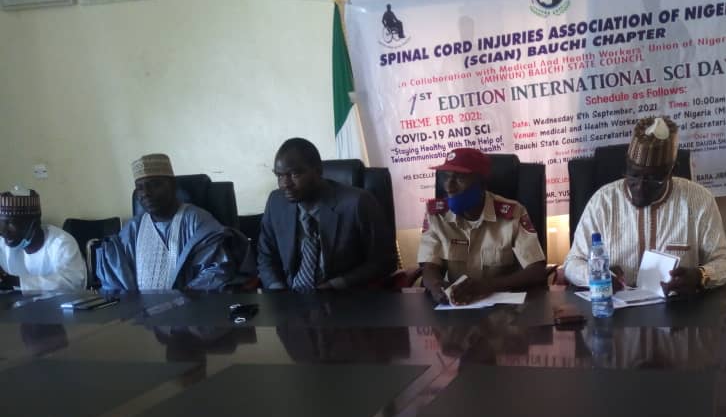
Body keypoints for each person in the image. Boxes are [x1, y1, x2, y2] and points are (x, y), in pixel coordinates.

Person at [563, 116, 726, 294]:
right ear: (627, 165)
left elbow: (725, 262)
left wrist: (700, 276)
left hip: (678, 306)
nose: (640, 187)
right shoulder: (603, 202)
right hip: (616, 306)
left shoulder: (699, 201)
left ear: (671, 171)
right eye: (634, 175)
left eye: (653, 179)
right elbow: (572, 263)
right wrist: (598, 275)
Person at [258, 137, 396, 292]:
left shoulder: (357, 203)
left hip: (344, 297)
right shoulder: (276, 202)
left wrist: (335, 285)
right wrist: (278, 291)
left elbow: (385, 261)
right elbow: (266, 256)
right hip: (289, 297)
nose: (285, 184)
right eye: (279, 176)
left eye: (294, 174)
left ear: (318, 171)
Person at [418, 147, 547, 305]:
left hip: (504, 309)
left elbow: (536, 271)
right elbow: (429, 266)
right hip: (456, 308)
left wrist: (488, 286)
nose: (449, 187)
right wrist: (437, 287)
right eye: (446, 177)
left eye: (460, 178)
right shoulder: (436, 215)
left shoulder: (513, 213)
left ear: (482, 183)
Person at [95, 153, 237, 291]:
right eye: (140, 187)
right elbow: (115, 280)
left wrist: (181, 298)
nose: (145, 193)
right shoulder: (132, 228)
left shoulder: (198, 221)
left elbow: (216, 271)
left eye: (154, 185)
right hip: (139, 306)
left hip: (190, 304)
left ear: (173, 185)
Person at [0, 190, 86, 291]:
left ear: (33, 224)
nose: (3, 231)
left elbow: (73, 283)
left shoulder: (61, 243)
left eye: (10, 223)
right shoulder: (3, 243)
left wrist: (14, 281)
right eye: (1, 223)